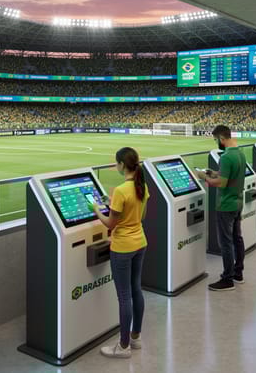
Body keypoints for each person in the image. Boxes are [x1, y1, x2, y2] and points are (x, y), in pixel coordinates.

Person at [90, 147, 148, 358]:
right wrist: (110, 203)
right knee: (136, 290)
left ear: (122, 165)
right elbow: (141, 215)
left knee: (124, 297)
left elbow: (110, 224)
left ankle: (123, 347)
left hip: (122, 247)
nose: (116, 166)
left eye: (116, 163)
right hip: (140, 242)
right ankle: (135, 337)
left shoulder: (122, 191)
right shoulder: (141, 186)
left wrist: (97, 209)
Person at [196, 125, 246, 291]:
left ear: (221, 138)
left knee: (226, 243)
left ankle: (227, 279)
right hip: (237, 202)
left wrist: (204, 177)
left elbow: (221, 183)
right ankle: (238, 273)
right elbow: (229, 175)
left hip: (226, 205)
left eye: (216, 140)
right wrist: (214, 173)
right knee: (237, 238)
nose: (216, 143)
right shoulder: (240, 153)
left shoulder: (226, 157)